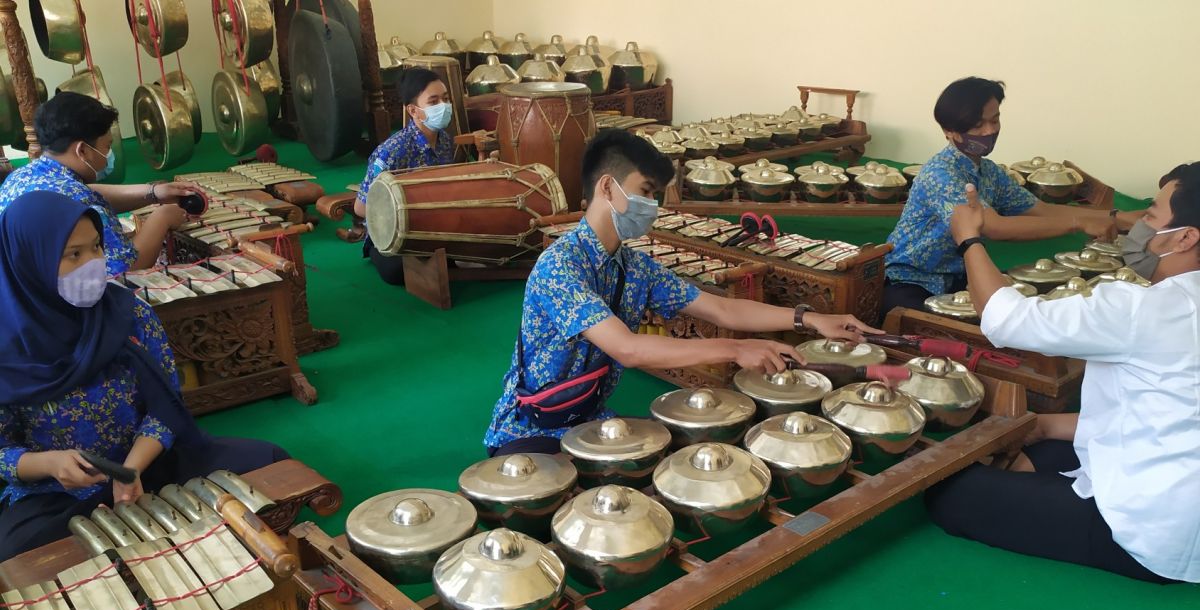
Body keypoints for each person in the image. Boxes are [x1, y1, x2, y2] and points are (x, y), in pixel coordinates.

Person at [484, 129, 882, 456]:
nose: (653, 205)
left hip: (589, 417)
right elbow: (629, 349)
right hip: (529, 426)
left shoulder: (634, 266)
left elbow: (723, 311)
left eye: (656, 194)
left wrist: (809, 319)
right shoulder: (559, 266)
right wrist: (734, 350)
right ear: (607, 186)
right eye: (646, 190)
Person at [924, 164, 1200, 584]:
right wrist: (1050, 425)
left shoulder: (1143, 309)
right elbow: (1172, 410)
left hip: (1151, 531)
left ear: (1185, 237)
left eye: (1151, 215)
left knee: (951, 491)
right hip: (1180, 489)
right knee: (1037, 452)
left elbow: (1005, 319)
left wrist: (970, 238)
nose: (1141, 223)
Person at [0, 193, 289, 561]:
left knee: (272, 463)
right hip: (57, 492)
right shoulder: (5, 344)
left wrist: (131, 469)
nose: (94, 264)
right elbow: (3, 451)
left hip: (147, 465)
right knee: (15, 554)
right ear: (30, 262)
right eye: (73, 254)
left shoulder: (128, 313)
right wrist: (51, 464)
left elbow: (166, 406)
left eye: (96, 248)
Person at [882, 76, 1137, 317]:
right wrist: (1078, 223)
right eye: (978, 124)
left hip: (958, 280)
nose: (989, 130)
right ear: (949, 130)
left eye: (995, 119)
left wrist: (1116, 217)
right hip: (910, 282)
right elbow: (993, 227)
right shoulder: (941, 173)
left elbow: (1042, 209)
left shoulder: (989, 171)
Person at [0, 92, 199, 277]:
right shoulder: (77, 198)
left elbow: (88, 194)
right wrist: (161, 219)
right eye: (107, 146)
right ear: (82, 151)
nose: (108, 155)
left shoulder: (24, 176)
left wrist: (153, 192)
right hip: (61, 308)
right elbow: (124, 271)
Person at [354, 68, 456, 285]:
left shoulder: (445, 141)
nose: (444, 106)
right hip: (394, 232)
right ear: (413, 110)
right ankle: (373, 251)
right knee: (398, 272)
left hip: (433, 225)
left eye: (446, 99)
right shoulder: (391, 151)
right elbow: (362, 208)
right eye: (434, 101)